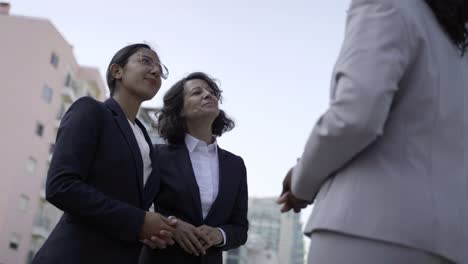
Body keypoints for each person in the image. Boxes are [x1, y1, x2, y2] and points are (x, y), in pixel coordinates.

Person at [277, 0, 468, 263]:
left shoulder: (386, 4)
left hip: (366, 230)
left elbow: (355, 117)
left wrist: (301, 181)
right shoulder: (456, 39)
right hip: (448, 241)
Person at [32, 43, 177, 264]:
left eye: (160, 68)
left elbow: (134, 205)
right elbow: (61, 186)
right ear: (117, 71)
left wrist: (156, 230)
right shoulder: (91, 110)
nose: (156, 71)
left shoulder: (147, 141)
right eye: (146, 61)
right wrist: (139, 222)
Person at [139, 72, 248, 264]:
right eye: (197, 92)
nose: (208, 95)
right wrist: (171, 224)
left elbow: (240, 229)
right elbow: (136, 206)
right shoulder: (157, 155)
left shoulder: (235, 165)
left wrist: (219, 234)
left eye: (211, 91)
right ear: (180, 110)